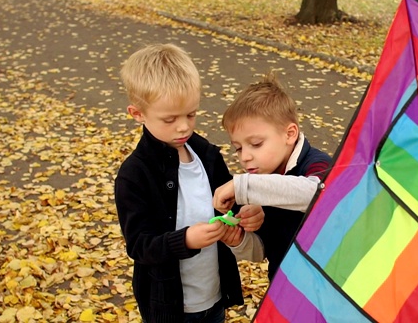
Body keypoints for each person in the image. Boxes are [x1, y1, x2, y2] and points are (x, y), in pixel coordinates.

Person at [114, 43, 264, 322]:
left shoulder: (204, 153)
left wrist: (246, 212)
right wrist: (184, 240)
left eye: (191, 114)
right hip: (171, 308)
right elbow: (139, 245)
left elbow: (228, 201)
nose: (183, 126)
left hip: (214, 295)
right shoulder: (134, 175)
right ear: (138, 114)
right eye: (169, 119)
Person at [213, 72, 332, 279]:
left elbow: (318, 195)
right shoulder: (261, 178)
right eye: (238, 148)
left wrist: (243, 186)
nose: (245, 157)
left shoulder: (317, 164)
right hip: (285, 287)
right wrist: (239, 240)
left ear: (289, 134)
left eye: (256, 144)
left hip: (330, 287)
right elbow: (262, 251)